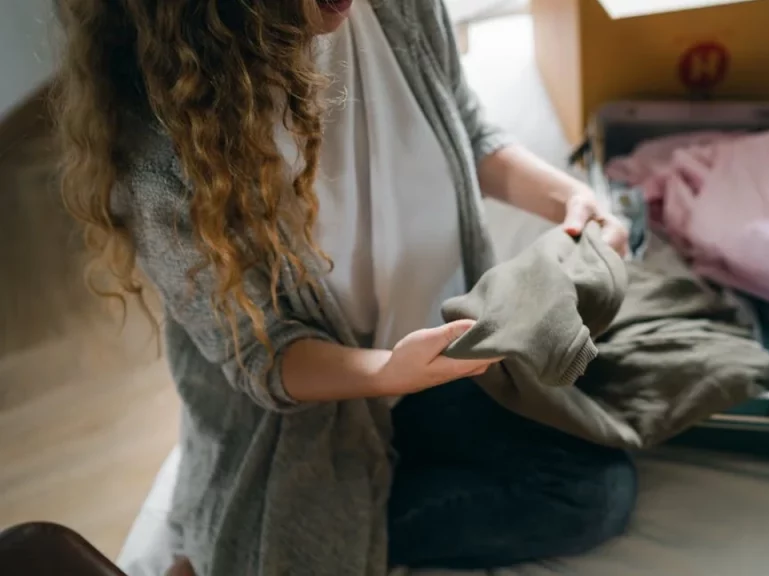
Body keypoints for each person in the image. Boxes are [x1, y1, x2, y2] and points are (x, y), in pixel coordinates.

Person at [55, 0, 637, 573]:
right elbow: (263, 356)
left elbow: (466, 122)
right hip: (314, 407)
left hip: (445, 351)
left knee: (599, 489)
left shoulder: (398, 11)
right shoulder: (161, 144)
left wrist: (570, 199)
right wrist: (387, 372)